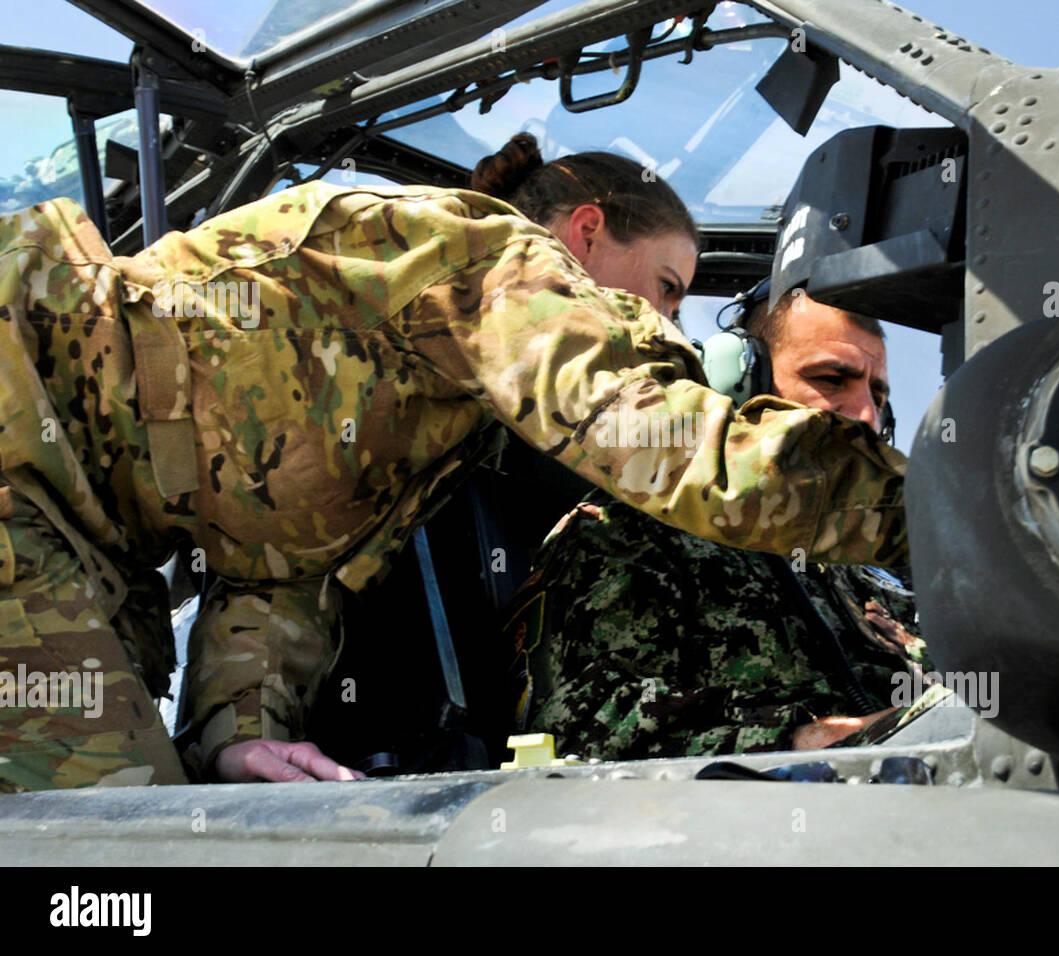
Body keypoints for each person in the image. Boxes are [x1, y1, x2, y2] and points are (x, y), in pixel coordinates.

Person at [0, 133, 906, 791]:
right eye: (665, 286)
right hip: (18, 410)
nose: (666, 324)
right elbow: (665, 443)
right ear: (587, 233)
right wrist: (944, 516)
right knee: (120, 849)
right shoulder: (487, 257)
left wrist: (242, 734)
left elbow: (281, 576)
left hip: (63, 519)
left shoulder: (432, 422)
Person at [503, 288, 945, 760]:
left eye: (878, 395)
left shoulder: (886, 563)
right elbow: (579, 733)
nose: (866, 415)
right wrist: (809, 741)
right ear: (743, 382)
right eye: (832, 378)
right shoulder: (628, 531)